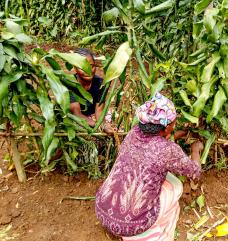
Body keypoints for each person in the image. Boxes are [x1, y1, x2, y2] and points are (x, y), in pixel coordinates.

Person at [95, 93, 203, 240]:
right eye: (173, 123)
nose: (175, 125)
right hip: (132, 226)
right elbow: (195, 172)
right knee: (176, 185)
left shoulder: (134, 132)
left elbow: (155, 144)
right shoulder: (167, 150)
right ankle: (155, 234)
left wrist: (176, 134)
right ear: (165, 128)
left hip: (103, 211)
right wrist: (196, 149)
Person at [70, 48, 114, 134]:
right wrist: (97, 125)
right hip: (76, 117)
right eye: (83, 67)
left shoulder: (100, 84)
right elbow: (76, 114)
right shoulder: (70, 83)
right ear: (75, 68)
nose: (89, 70)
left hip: (92, 115)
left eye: (92, 66)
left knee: (108, 118)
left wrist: (104, 125)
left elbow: (99, 110)